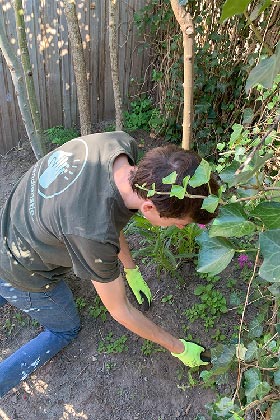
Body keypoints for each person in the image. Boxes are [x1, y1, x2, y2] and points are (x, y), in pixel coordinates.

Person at [0, 131, 219, 397]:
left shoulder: (117, 145)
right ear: (150, 208)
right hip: (25, 270)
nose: (181, 227)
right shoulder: (92, 234)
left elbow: (109, 216)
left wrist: (131, 270)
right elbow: (120, 310)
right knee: (65, 329)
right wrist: (179, 347)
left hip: (12, 226)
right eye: (180, 224)